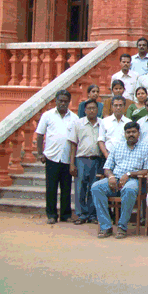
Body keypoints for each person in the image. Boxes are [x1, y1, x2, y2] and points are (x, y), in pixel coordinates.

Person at [91, 122, 148, 239]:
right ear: (124, 134)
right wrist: (110, 177)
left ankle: (122, 226)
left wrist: (129, 174)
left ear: (138, 133)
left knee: (130, 189)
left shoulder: (147, 148)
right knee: (96, 187)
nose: (131, 135)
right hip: (115, 180)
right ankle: (106, 227)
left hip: (134, 180)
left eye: (133, 132)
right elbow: (107, 167)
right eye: (128, 132)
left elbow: (147, 170)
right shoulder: (117, 147)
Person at [36, 90, 78, 224]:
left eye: (66, 101)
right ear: (56, 101)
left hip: (67, 158)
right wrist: (40, 153)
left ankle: (65, 215)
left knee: (66, 188)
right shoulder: (47, 116)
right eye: (61, 100)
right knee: (51, 187)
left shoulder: (74, 118)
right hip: (51, 157)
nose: (63, 103)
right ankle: (51, 215)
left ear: (69, 102)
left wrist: (73, 161)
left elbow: (75, 140)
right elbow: (40, 134)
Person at [68, 99, 104, 225]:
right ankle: (81, 214)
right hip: (81, 159)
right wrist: (72, 163)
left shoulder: (102, 123)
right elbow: (73, 144)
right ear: (84, 110)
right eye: (89, 108)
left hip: (97, 160)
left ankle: (93, 214)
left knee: (94, 187)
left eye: (94, 108)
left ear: (98, 110)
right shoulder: (78, 123)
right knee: (80, 188)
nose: (92, 110)